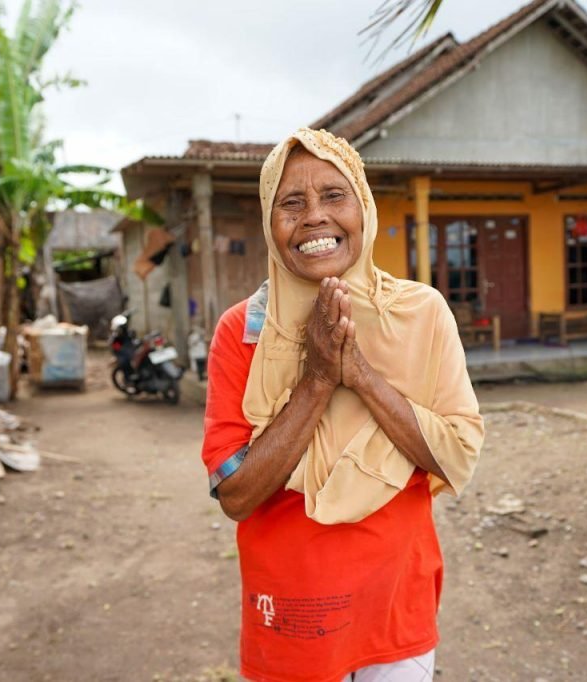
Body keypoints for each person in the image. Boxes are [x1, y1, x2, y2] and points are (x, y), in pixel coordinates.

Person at [201, 128, 484, 682]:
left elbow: (456, 452)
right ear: (269, 222)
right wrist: (316, 379)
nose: (314, 217)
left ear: (365, 207)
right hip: (294, 615)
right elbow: (235, 493)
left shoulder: (421, 315)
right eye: (291, 203)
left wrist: (360, 374)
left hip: (395, 604)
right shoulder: (243, 331)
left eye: (334, 195)